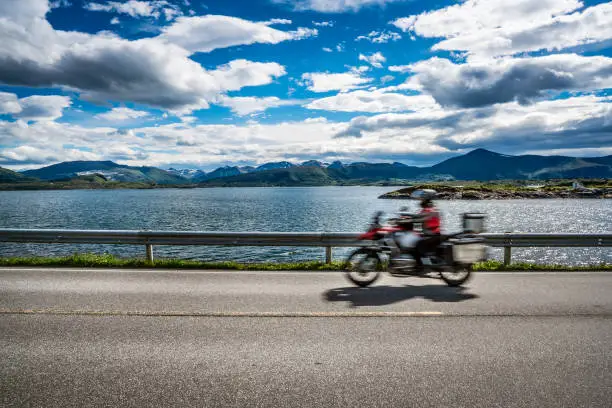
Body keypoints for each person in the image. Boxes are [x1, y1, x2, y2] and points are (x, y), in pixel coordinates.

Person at [410, 189, 442, 272]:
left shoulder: (428, 210)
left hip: (431, 235)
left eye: (421, 199)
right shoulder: (433, 209)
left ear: (425, 200)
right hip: (434, 234)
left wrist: (408, 219)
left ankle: (421, 267)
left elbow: (418, 217)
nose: (420, 201)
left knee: (416, 245)